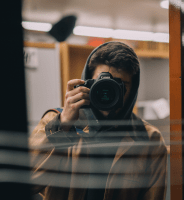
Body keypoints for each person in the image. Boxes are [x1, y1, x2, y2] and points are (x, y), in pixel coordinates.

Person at [29, 42, 168, 200]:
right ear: (87, 83)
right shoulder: (55, 122)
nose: (107, 92)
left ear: (133, 89)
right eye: (101, 84)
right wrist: (63, 126)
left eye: (119, 86)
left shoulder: (150, 140)